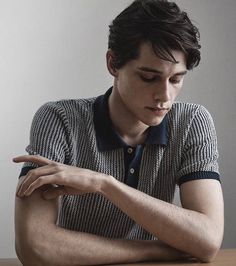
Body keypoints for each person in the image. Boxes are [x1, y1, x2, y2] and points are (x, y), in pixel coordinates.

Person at [14, 0, 224, 265]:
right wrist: (157, 250)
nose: (165, 96)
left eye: (176, 79)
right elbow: (35, 247)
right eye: (148, 77)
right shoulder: (59, 120)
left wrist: (106, 185)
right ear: (113, 63)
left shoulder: (193, 122)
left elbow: (207, 241)